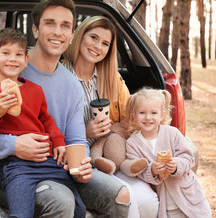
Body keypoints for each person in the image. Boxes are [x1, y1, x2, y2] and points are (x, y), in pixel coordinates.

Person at [0, 0, 130, 217]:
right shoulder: (6, 66)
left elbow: (76, 140)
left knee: (119, 194)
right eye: (49, 23)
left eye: (65, 26)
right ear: (35, 30)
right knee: (61, 200)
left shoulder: (71, 85)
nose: (58, 32)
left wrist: (81, 164)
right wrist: (13, 145)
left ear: (72, 35)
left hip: (52, 165)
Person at [0, 28, 86, 218]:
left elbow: (46, 119)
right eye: (5, 53)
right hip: (16, 165)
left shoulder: (35, 90)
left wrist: (58, 141)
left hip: (47, 160)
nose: (13, 59)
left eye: (19, 54)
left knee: (79, 209)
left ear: (26, 61)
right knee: (22, 212)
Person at [63, 16, 159, 218]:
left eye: (105, 43)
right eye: (93, 38)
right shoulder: (60, 75)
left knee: (149, 202)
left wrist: (116, 131)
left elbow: (131, 121)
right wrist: (85, 131)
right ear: (80, 36)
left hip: (113, 156)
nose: (97, 46)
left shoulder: (113, 78)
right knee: (128, 201)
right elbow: (48, 128)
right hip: (79, 161)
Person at [125, 88, 212, 218]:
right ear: (134, 115)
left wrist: (177, 165)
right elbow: (137, 171)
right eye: (142, 112)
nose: (148, 118)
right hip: (166, 205)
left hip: (188, 196)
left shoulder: (172, 133)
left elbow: (188, 157)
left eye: (154, 113)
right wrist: (152, 170)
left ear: (162, 115)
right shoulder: (132, 143)